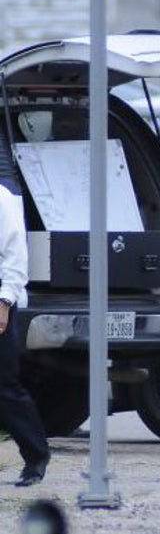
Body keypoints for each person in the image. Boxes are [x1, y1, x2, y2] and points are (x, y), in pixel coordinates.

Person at [0, 187, 49, 487]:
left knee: (4, 383)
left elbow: (16, 252)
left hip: (0, 294)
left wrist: (4, 301)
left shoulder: (1, 198)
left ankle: (36, 455)